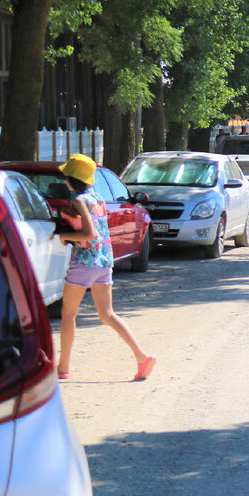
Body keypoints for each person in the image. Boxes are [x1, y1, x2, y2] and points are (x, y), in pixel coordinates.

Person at [55, 154, 156, 381]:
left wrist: (65, 236)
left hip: (84, 261)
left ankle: (63, 368)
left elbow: (89, 233)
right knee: (108, 314)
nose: (64, 181)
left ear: (72, 179)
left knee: (68, 314)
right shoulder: (97, 197)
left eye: (66, 176)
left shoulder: (80, 200)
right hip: (104, 262)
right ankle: (142, 357)